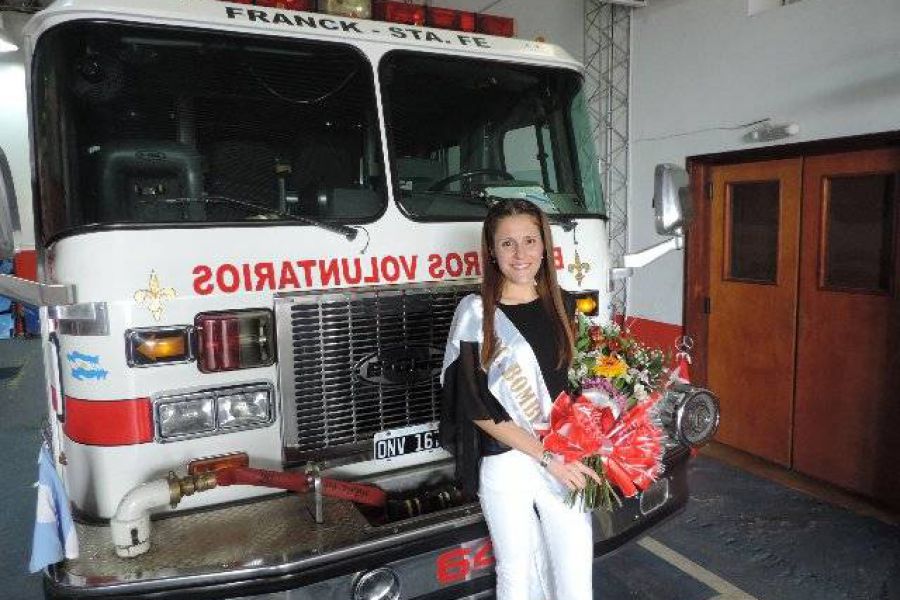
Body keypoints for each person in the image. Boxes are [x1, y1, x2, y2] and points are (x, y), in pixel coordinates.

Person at [440, 198, 601, 600]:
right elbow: (476, 407)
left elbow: (583, 385)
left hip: (563, 455)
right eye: (507, 243)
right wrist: (547, 457)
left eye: (530, 240)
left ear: (545, 246)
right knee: (516, 574)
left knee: (575, 567)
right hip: (509, 460)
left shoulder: (565, 305)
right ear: (491, 251)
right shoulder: (476, 314)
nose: (521, 253)